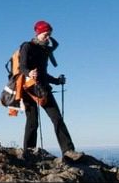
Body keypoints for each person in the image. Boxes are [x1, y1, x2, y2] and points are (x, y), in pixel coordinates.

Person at [19, 20, 83, 161]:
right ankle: (29, 153)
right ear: (38, 33)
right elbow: (21, 67)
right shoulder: (27, 46)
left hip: (43, 88)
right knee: (33, 122)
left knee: (57, 118)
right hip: (28, 89)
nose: (48, 38)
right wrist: (29, 73)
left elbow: (43, 74)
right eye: (45, 35)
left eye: (49, 35)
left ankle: (68, 151)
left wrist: (57, 81)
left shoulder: (44, 51)